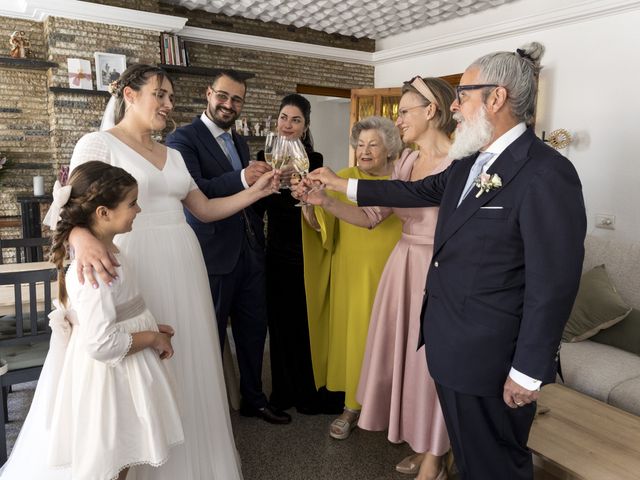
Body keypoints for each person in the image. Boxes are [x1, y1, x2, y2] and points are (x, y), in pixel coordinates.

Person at [306, 42, 586, 480]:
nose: (453, 107)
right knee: (473, 461)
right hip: (449, 346)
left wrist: (529, 371)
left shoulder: (546, 172)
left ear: (496, 98)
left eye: (463, 94)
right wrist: (342, 186)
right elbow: (415, 193)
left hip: (494, 356)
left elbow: (554, 283)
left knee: (497, 465)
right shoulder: (468, 161)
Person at [64, 64, 279, 480]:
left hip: (185, 262)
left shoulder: (175, 154)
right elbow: (70, 208)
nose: (167, 104)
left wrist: (255, 192)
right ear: (129, 95)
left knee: (191, 359)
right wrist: (81, 239)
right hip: (135, 261)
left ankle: (197, 463)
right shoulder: (97, 143)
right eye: (159, 94)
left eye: (170, 97)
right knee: (141, 364)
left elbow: (204, 209)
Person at [301, 77, 455, 479]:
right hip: (402, 265)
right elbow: (372, 217)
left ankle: (435, 456)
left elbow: (422, 199)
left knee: (431, 364)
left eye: (404, 111)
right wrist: (325, 202)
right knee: (406, 359)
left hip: (439, 268)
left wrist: (337, 182)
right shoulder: (406, 162)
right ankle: (424, 446)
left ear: (431, 111)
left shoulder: (460, 161)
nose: (398, 119)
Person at [0, 162, 184, 480]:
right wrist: (153, 339)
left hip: (124, 374)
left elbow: (124, 309)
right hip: (109, 380)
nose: (139, 209)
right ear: (103, 212)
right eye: (132, 203)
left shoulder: (109, 251)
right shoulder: (94, 270)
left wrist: (150, 327)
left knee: (123, 455)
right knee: (108, 464)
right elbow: (101, 343)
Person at [166, 70, 291, 425]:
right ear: (209, 94)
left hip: (250, 251)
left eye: (237, 99)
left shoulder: (238, 143)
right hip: (213, 253)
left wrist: (266, 183)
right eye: (223, 96)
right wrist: (243, 177)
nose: (229, 104)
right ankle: (207, 412)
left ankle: (254, 398)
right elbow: (198, 191)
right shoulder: (182, 140)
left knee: (255, 330)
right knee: (211, 334)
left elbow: (247, 198)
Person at [300, 116, 403, 440]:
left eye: (373, 144)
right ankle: (352, 407)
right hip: (352, 275)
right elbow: (319, 226)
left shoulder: (403, 180)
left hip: (394, 273)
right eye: (360, 145)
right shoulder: (341, 179)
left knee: (395, 342)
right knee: (358, 340)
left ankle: (395, 409)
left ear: (390, 149)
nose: (365, 151)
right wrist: (308, 206)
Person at [255, 94, 328, 414]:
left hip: (305, 250)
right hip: (275, 251)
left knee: (304, 323)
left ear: (305, 126)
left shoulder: (315, 160)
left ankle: (307, 391)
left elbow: (315, 206)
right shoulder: (264, 156)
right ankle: (282, 391)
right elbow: (258, 205)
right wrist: (269, 185)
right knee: (279, 324)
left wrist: (301, 194)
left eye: (295, 120)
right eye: (284, 117)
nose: (288, 124)